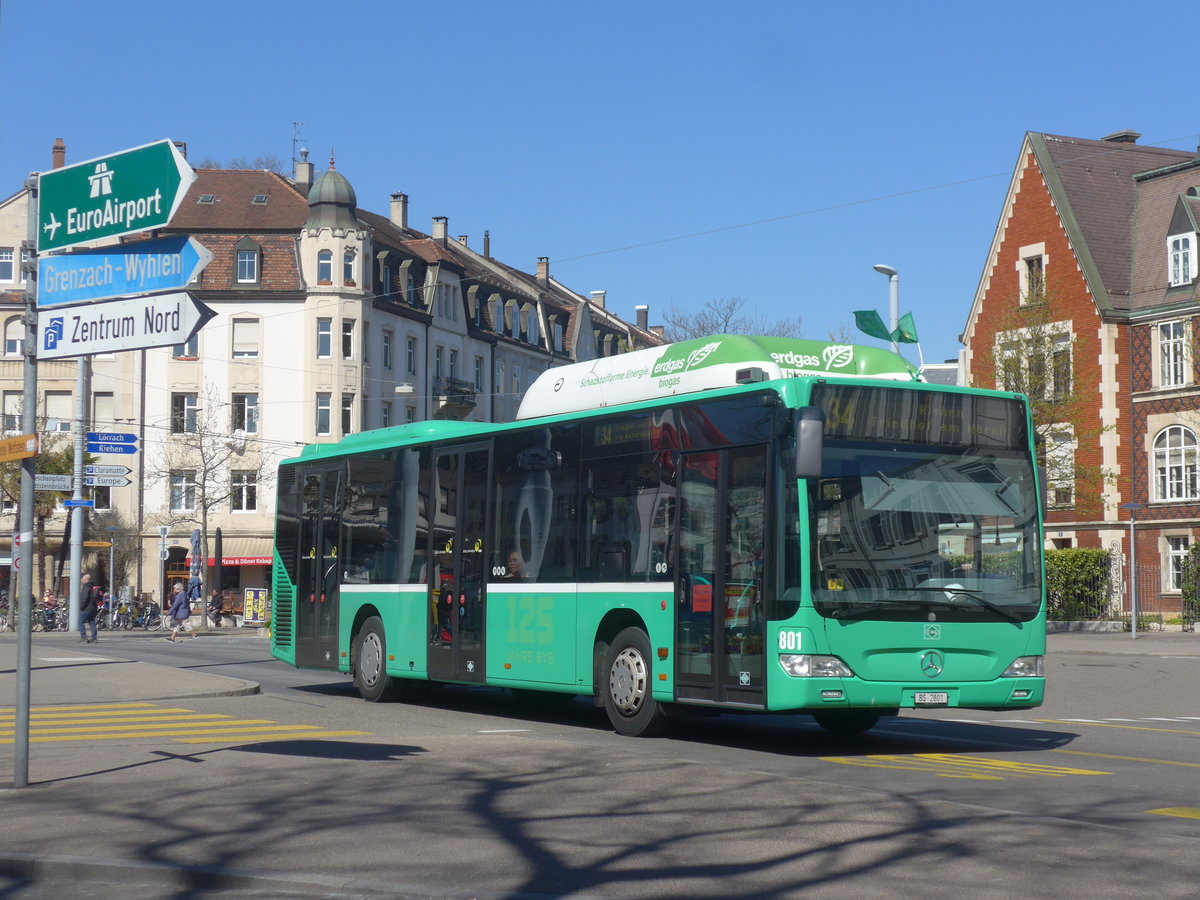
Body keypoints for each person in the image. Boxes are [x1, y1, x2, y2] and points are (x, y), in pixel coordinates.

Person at [78, 579, 99, 643]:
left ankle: (84, 637)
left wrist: (81, 607)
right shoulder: (93, 587)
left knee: (80, 621)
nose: (81, 580)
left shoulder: (86, 588)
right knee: (91, 622)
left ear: (85, 580)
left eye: (82, 579)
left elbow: (84, 598)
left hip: (86, 609)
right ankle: (94, 638)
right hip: (93, 608)